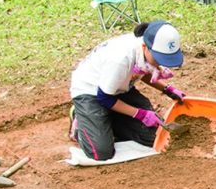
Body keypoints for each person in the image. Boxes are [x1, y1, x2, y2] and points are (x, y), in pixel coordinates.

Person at [69, 20, 187, 161]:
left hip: (118, 87)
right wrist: (140, 114)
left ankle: (108, 118)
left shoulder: (145, 49)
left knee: (154, 136)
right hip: (91, 92)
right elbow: (104, 98)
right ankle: (80, 119)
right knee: (100, 152)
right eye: (159, 58)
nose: (160, 63)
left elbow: (144, 71)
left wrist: (168, 89)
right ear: (145, 47)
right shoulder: (120, 59)